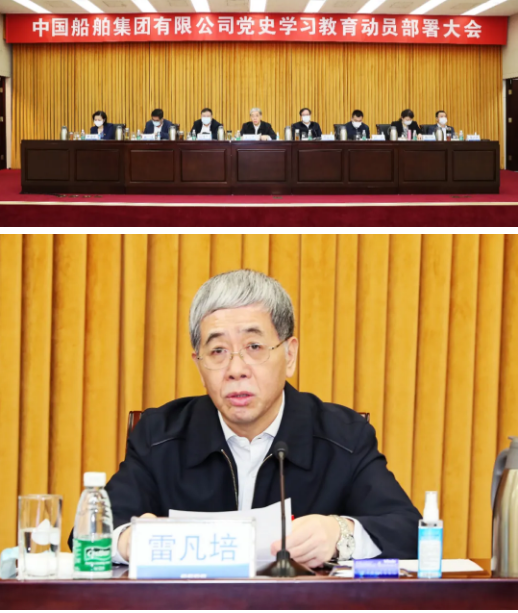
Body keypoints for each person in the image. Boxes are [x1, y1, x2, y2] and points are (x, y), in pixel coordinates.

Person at [68, 269, 421, 568]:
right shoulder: (159, 435)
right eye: (217, 351)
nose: (236, 369)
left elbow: (410, 532)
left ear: (290, 355)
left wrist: (339, 534)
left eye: (254, 347)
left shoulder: (343, 436)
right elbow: (87, 534)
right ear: (199, 365)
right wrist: (130, 541)